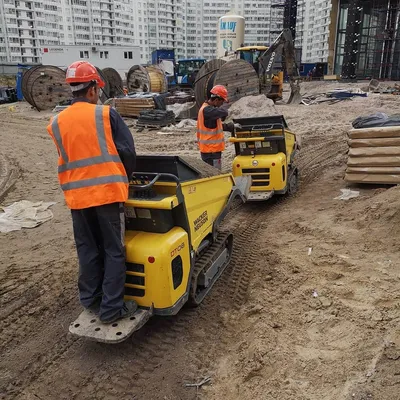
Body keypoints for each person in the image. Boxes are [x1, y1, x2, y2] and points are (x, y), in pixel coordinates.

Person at [47, 61, 137, 324]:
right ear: (93, 89)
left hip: (77, 198)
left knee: (87, 249)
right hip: (107, 194)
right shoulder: (106, 115)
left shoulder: (55, 123)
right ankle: (111, 310)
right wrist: (126, 180)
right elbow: (127, 152)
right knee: (114, 250)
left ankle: (90, 301)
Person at [196, 85, 238, 170]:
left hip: (210, 150)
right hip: (211, 151)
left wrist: (230, 126)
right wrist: (228, 111)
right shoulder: (207, 110)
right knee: (215, 175)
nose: (221, 104)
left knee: (212, 175)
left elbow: (214, 127)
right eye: (221, 102)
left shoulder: (207, 110)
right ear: (216, 100)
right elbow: (223, 112)